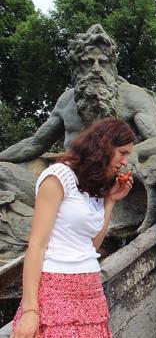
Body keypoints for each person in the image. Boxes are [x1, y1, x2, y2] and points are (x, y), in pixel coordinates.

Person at [11, 117, 135, 338]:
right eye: (123, 152)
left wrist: (110, 201)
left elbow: (92, 245)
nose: (125, 161)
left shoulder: (93, 185)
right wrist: (31, 309)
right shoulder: (58, 177)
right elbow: (36, 246)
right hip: (55, 288)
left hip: (91, 291)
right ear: (105, 146)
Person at [0, 24, 156, 164]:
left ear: (111, 67)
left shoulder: (134, 96)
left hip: (120, 180)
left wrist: (130, 153)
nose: (96, 69)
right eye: (88, 62)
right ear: (76, 68)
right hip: (71, 178)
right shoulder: (66, 101)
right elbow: (35, 144)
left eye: (102, 62)